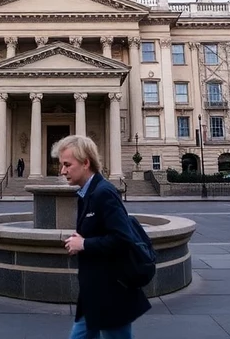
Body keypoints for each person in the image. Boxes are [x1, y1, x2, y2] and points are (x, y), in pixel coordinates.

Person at [59, 134, 150, 338]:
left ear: (85, 163)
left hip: (112, 293)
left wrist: (84, 244)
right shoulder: (87, 193)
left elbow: (123, 239)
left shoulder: (104, 192)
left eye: (67, 164)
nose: (62, 171)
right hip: (94, 291)